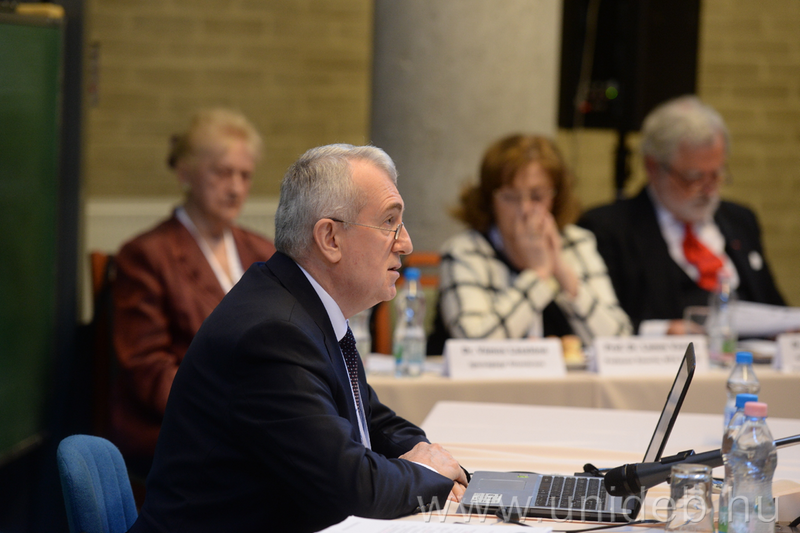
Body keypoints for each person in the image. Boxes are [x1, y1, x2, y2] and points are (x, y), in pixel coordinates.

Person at [128, 144, 468, 533]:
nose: (405, 242)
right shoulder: (273, 334)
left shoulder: (303, 307)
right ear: (330, 239)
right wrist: (428, 473)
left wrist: (430, 458)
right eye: (390, 222)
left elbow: (371, 420)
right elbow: (351, 489)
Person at [110, 109, 276, 476]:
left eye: (245, 175)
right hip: (186, 433)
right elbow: (147, 369)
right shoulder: (147, 255)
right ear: (185, 174)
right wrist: (237, 414)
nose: (235, 188)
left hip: (259, 424)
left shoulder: (264, 251)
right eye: (222, 172)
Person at [578, 96, 785, 333]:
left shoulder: (740, 219)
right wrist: (662, 331)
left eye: (716, 174)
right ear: (653, 167)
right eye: (694, 177)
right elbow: (601, 324)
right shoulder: (608, 229)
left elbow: (774, 307)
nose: (708, 189)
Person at [428, 134, 632, 355]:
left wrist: (562, 273)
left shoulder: (577, 242)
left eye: (537, 196)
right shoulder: (464, 251)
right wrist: (538, 275)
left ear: (555, 198)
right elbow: (474, 346)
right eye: (510, 197)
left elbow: (620, 343)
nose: (525, 209)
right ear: (490, 200)